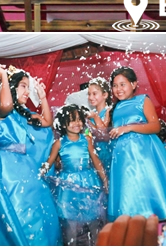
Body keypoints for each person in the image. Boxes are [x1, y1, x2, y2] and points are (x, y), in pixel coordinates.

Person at [0, 65, 61, 245]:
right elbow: (6, 104)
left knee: (38, 216)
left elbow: (46, 122)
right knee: (18, 215)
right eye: (23, 85)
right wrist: (3, 77)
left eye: (28, 87)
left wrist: (43, 97)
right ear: (11, 87)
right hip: (8, 173)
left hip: (27, 169)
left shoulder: (24, 114)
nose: (27, 91)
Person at [106, 66, 166, 220]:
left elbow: (155, 126)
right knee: (129, 192)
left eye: (122, 84)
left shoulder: (142, 100)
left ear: (134, 84)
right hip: (123, 158)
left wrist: (128, 127)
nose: (118, 89)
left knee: (149, 186)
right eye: (114, 85)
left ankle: (157, 222)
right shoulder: (116, 107)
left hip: (144, 154)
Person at [43, 104, 108, 246]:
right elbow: (50, 161)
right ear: (63, 123)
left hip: (88, 182)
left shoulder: (87, 140)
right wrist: (43, 170)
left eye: (79, 119)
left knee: (94, 221)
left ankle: (98, 244)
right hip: (68, 185)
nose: (77, 123)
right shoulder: (59, 143)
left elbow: (96, 160)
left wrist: (105, 180)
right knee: (71, 224)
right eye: (72, 120)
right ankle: (71, 244)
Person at [85, 77, 112, 176]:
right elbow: (89, 133)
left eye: (94, 94)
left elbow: (103, 134)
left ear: (105, 95)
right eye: (89, 94)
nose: (91, 97)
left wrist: (95, 117)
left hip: (108, 153)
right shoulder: (91, 114)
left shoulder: (109, 111)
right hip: (95, 154)